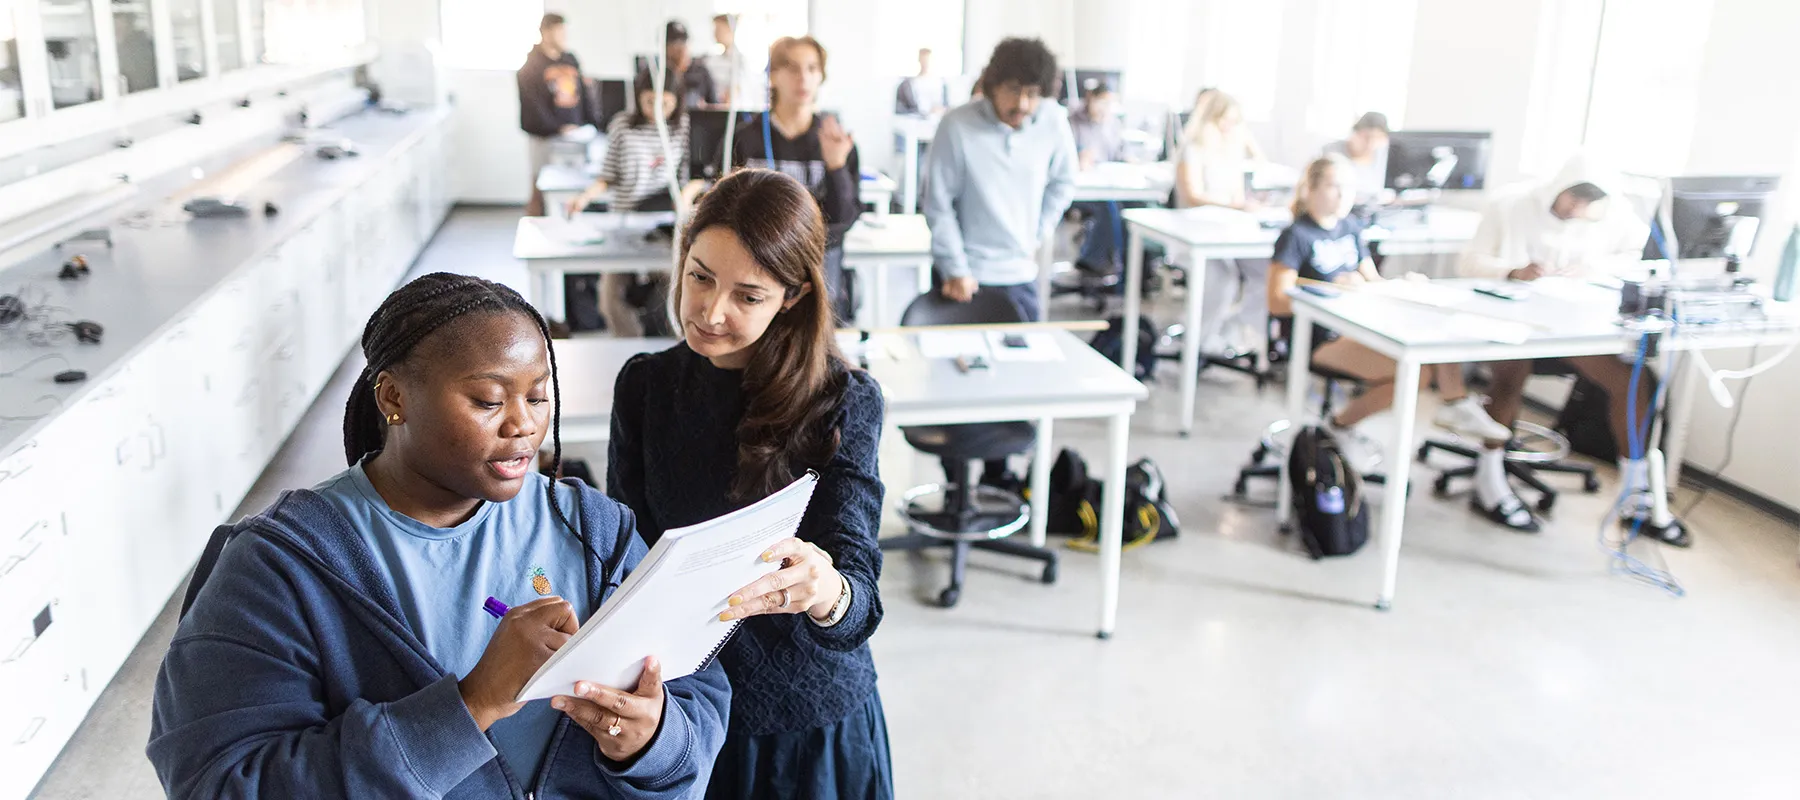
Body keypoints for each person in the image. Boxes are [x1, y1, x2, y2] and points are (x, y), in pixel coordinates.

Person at [147, 273, 730, 797]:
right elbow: (221, 781)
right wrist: (471, 704)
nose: (523, 424)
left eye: (538, 395)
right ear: (394, 397)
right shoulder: (277, 568)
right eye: (488, 400)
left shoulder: (591, 530)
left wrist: (649, 742)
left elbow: (699, 693)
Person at [608, 169, 892, 799]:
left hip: (805, 717)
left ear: (791, 296)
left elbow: (861, 603)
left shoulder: (843, 402)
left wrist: (827, 588)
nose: (710, 311)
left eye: (748, 295)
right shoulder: (646, 386)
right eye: (700, 276)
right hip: (681, 707)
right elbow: (622, 552)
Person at [1457, 155, 1675, 541]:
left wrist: (1593, 268)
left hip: (1573, 326)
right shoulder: (1511, 204)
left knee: (1632, 380)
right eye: (1571, 200)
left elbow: (1638, 255)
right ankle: (1488, 482)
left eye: (1586, 204)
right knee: (1509, 375)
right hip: (1514, 323)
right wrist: (1513, 271)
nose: (1577, 210)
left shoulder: (1611, 217)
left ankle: (1636, 491)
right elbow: (1469, 262)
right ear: (1557, 189)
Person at [1268, 156, 1512, 471]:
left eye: (1348, 187)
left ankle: (1343, 425)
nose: (1342, 195)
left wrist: (1401, 285)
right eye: (1332, 186)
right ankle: (1446, 405)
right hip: (1317, 337)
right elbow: (1277, 301)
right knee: (1414, 374)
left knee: (1421, 370)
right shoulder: (1296, 235)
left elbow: (1371, 282)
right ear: (1310, 189)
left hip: (1355, 328)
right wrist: (1335, 289)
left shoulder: (1350, 228)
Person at [921, 36, 1076, 322]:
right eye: (1013, 90)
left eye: (1032, 93)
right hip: (965, 274)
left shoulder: (1053, 121)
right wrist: (956, 268)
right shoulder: (956, 126)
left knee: (1028, 363)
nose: (1022, 103)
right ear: (992, 86)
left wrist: (1035, 233)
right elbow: (937, 204)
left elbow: (1064, 183)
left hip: (1021, 273)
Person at [731, 36, 862, 324]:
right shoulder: (744, 138)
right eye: (792, 68)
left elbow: (842, 221)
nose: (803, 78)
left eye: (812, 69)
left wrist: (836, 166)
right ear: (773, 76)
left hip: (817, 268)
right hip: (756, 262)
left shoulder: (836, 141)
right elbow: (724, 208)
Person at [566, 70, 707, 337]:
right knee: (609, 300)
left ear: (677, 100)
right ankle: (631, 348)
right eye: (648, 101)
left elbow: (695, 177)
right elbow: (607, 176)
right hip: (625, 222)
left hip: (666, 226)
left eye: (664, 103)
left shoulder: (684, 128)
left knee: (680, 293)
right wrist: (583, 198)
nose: (655, 110)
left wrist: (685, 200)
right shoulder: (622, 125)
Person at [1175, 88, 1272, 359]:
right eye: (1224, 121)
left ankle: (1234, 329)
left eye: (1234, 121)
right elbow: (1191, 196)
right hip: (1195, 231)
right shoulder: (1192, 149)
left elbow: (1238, 197)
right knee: (1223, 279)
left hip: (1230, 231)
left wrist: (1246, 207)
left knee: (1269, 273)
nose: (1229, 127)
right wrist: (1233, 206)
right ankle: (1199, 342)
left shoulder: (1232, 153)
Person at [518, 13, 597, 217]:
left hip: (575, 136)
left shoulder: (570, 59)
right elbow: (532, 105)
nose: (563, 36)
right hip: (545, 138)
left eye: (564, 31)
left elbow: (583, 93)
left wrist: (591, 122)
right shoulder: (531, 65)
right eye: (559, 31)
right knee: (540, 187)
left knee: (573, 186)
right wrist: (556, 127)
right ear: (545, 32)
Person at [1068, 83, 1130, 275]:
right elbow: (1063, 158)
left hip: (1110, 183)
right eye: (1101, 102)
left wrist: (1130, 161)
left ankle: (1134, 269)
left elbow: (1121, 153)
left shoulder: (1113, 124)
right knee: (1109, 206)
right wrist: (1078, 160)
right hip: (1081, 191)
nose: (1104, 108)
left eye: (1109, 103)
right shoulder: (1072, 122)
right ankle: (1094, 260)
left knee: (1132, 206)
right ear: (1090, 98)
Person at [1324, 111, 1392, 207]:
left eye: (1377, 137)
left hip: (1373, 210)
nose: (1370, 143)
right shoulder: (1331, 151)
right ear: (1354, 133)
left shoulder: (1383, 155)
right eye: (1366, 137)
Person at [704, 14, 757, 109]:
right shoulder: (712, 60)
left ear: (730, 30)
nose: (715, 34)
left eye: (718, 30)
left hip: (731, 113)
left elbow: (735, 91)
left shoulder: (740, 60)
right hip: (715, 109)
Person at [666, 20, 719, 109]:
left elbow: (714, 105)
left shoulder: (701, 72)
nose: (681, 48)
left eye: (683, 42)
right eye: (674, 44)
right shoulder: (656, 74)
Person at [895, 47, 950, 117]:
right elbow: (900, 110)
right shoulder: (907, 85)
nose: (925, 63)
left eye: (927, 60)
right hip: (915, 121)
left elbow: (946, 107)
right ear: (919, 60)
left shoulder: (941, 83)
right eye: (923, 60)